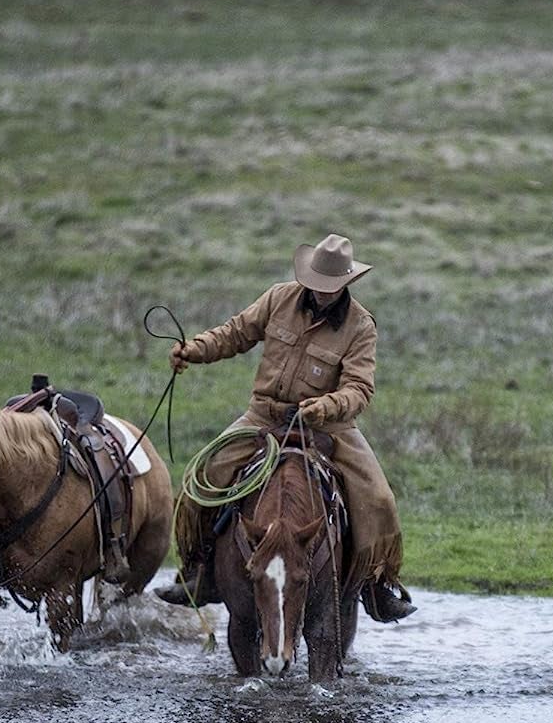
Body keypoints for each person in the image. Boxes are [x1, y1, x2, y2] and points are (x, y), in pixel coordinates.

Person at [157, 233, 415, 622]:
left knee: (378, 500)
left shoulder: (361, 326)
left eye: (330, 288)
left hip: (330, 428)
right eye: (316, 285)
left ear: (345, 284)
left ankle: (374, 586)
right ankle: (201, 572)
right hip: (264, 417)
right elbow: (236, 333)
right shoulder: (279, 297)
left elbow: (359, 388)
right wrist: (196, 349)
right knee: (203, 479)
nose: (322, 293)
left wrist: (326, 406)